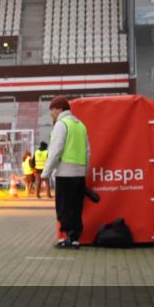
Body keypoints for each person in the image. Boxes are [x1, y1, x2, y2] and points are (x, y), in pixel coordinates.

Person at [41, 95, 90, 249]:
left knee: (63, 208)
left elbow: (55, 151)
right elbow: (88, 152)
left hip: (65, 173)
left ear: (60, 109)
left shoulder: (61, 125)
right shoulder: (81, 125)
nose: (51, 113)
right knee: (76, 207)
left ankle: (68, 237)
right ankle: (75, 239)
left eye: (52, 110)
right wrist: (85, 171)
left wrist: (45, 173)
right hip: (79, 173)